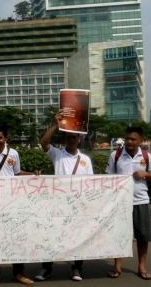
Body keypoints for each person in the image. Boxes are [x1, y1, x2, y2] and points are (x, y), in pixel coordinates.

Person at [35, 110, 93, 282]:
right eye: (68, 137)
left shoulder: (85, 160)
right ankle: (46, 268)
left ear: (79, 139)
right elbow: (43, 142)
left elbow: (89, 183)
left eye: (74, 137)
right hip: (57, 203)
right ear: (64, 139)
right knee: (51, 236)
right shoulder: (57, 154)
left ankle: (77, 268)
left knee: (77, 237)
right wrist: (56, 124)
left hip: (78, 204)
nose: (71, 140)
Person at [0, 123, 38, 286]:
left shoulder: (14, 154)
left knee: (16, 237)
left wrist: (33, 174)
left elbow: (17, 173)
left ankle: (19, 272)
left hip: (12, 202)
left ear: (6, 138)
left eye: (0, 137)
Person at [106, 126, 151, 280]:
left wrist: (146, 173)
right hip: (120, 203)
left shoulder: (147, 156)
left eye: (133, 139)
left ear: (140, 141)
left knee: (143, 236)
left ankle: (141, 266)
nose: (129, 141)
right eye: (127, 138)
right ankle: (117, 266)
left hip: (141, 201)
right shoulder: (115, 156)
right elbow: (108, 179)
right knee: (119, 235)